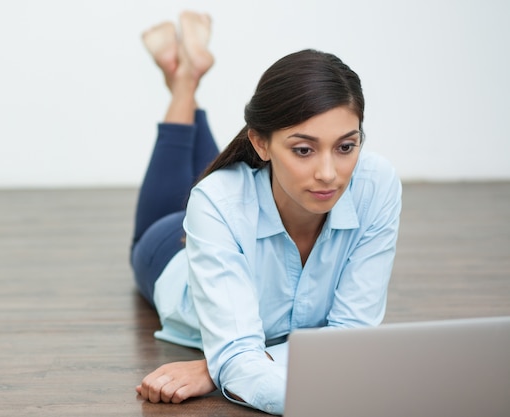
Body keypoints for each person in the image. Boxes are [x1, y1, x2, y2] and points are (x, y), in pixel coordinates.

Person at [131, 11, 401, 416]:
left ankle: (185, 73)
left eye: (346, 146)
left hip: (232, 207)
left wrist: (223, 368)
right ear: (259, 142)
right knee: (199, 194)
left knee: (222, 184)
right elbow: (242, 355)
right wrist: (233, 364)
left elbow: (349, 341)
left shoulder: (376, 184)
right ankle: (184, 82)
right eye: (304, 149)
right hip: (170, 251)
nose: (329, 173)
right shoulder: (216, 201)